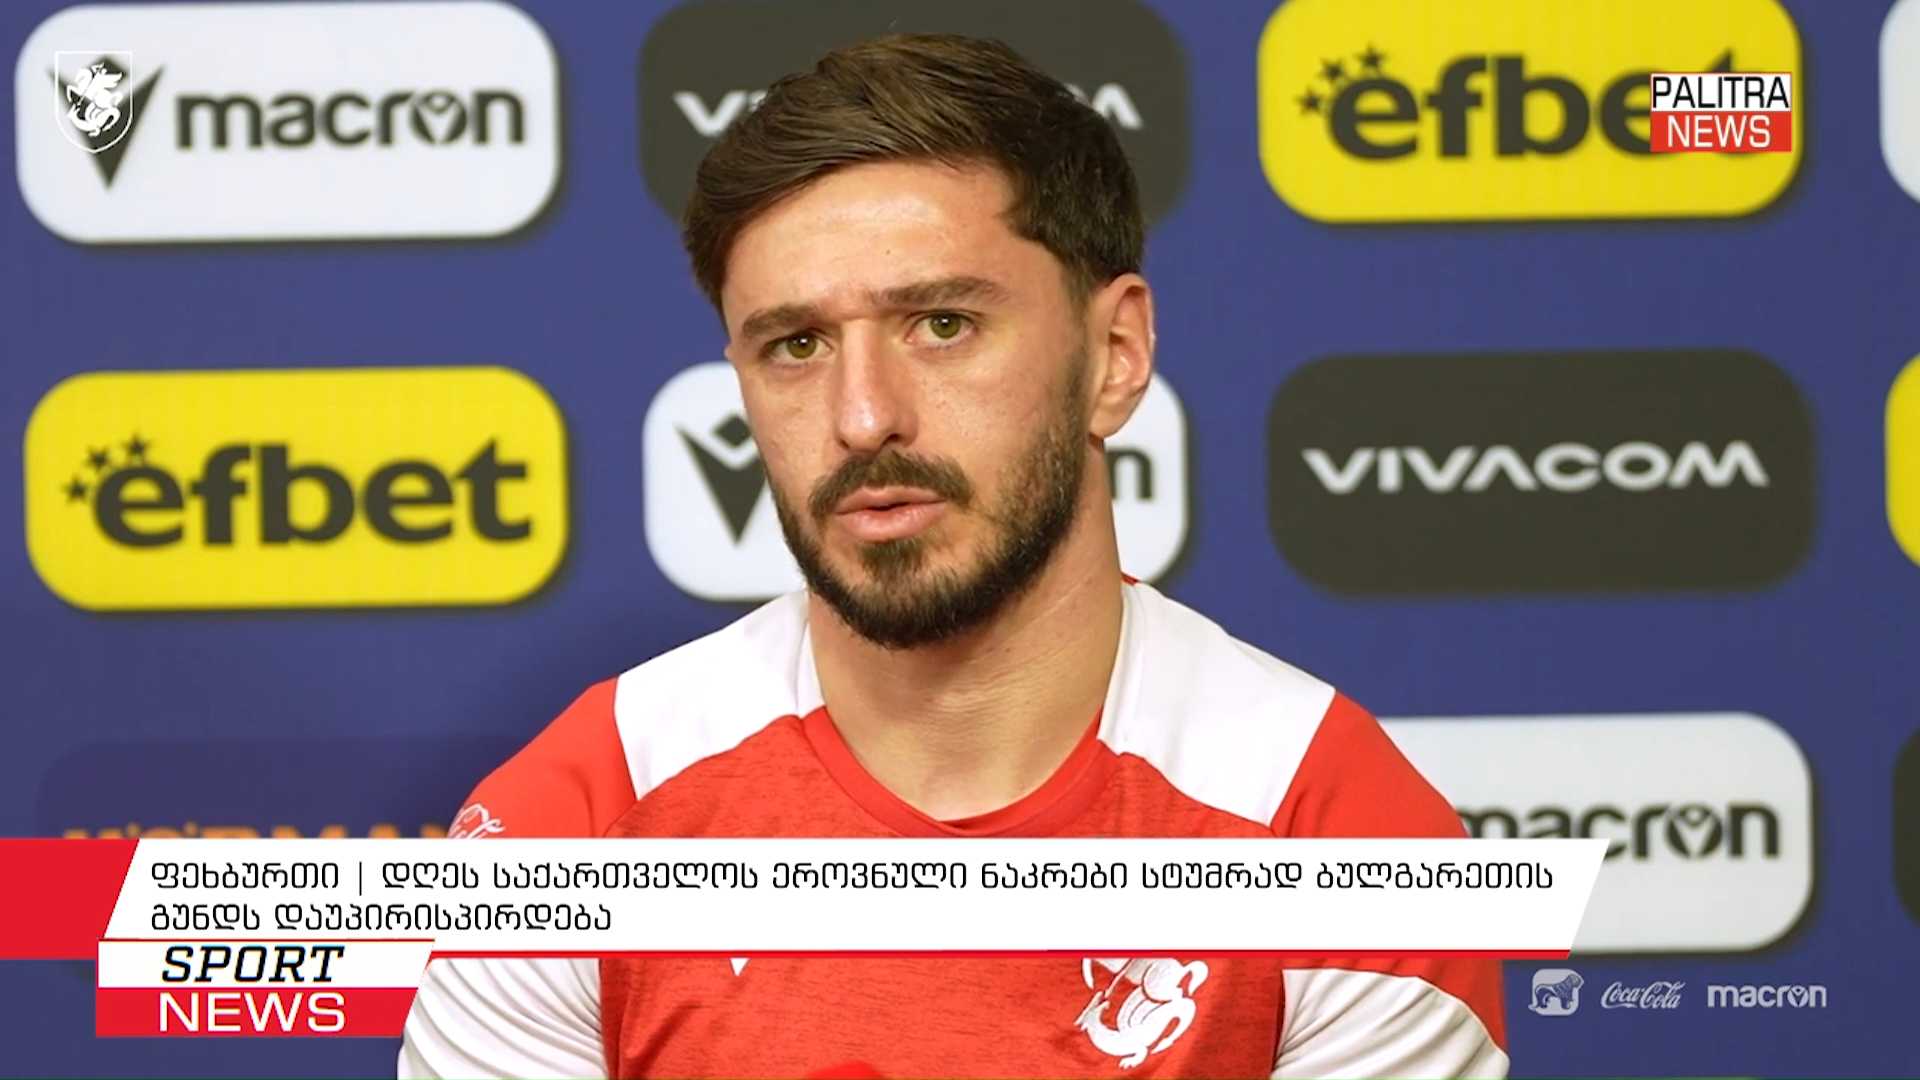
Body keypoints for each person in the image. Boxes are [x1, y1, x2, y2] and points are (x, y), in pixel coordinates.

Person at [399, 32, 1507, 1079]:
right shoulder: (579, 820)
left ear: (1115, 354)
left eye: (941, 324)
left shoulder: (1333, 827)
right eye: (796, 345)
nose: (863, 417)